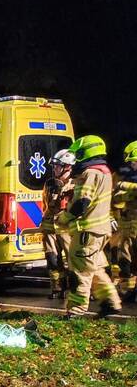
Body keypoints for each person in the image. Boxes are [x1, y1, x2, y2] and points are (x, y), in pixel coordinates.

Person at [56, 135, 122, 317]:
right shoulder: (105, 172)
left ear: (84, 153)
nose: (75, 159)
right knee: (95, 268)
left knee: (79, 271)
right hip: (100, 231)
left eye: (77, 154)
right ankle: (110, 302)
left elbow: (82, 203)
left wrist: (64, 217)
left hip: (86, 232)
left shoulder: (89, 174)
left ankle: (76, 310)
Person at [40, 149, 76, 298]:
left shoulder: (76, 184)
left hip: (67, 229)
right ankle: (57, 288)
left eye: (57, 166)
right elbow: (45, 204)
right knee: (52, 259)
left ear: (67, 167)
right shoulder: (50, 184)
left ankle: (76, 289)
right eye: (54, 165)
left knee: (72, 260)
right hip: (50, 228)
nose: (54, 168)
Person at [114, 140, 137, 301]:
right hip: (129, 226)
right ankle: (129, 290)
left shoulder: (126, 181)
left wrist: (124, 186)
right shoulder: (129, 177)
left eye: (132, 161)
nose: (131, 165)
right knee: (126, 259)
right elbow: (116, 198)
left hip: (131, 226)